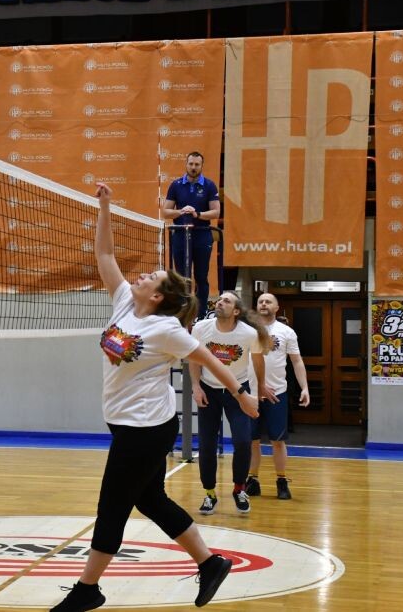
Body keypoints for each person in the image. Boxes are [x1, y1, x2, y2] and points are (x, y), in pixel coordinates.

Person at [50, 183, 259, 612]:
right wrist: (105, 207)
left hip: (146, 428)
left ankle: (88, 589)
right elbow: (105, 255)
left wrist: (241, 394)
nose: (141, 276)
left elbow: (209, 359)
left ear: (158, 296)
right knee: (150, 499)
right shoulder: (125, 303)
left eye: (150, 278)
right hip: (126, 422)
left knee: (112, 506)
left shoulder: (166, 330)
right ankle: (210, 563)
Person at [189, 291, 271, 516]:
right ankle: (210, 493)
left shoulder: (249, 333)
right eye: (220, 299)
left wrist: (260, 388)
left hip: (238, 391)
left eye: (227, 301)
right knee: (206, 445)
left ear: (236, 311)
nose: (220, 302)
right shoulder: (201, 328)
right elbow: (194, 359)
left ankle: (239, 489)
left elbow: (258, 361)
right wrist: (196, 386)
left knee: (243, 442)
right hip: (208, 389)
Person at [246, 293, 310, 500]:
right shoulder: (246, 330)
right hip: (250, 393)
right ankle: (252, 480)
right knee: (252, 440)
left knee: (278, 441)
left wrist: (304, 387)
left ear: (276, 307)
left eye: (268, 301)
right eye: (260, 301)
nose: (264, 304)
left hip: (277, 393)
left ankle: (281, 480)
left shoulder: (286, 332)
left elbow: (297, 361)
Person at [161, 151, 220, 319]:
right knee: (181, 277)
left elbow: (216, 212)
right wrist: (181, 211)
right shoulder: (176, 185)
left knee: (201, 276)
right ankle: (182, 313)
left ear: (201, 166)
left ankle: (200, 315)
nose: (193, 167)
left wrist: (197, 214)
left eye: (197, 164)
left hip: (202, 235)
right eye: (191, 164)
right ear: (186, 164)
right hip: (180, 234)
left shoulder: (209, 185)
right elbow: (166, 211)